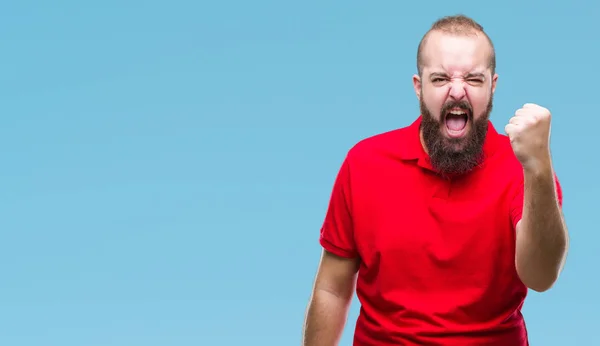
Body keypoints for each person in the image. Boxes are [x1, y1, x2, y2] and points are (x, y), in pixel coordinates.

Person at [301, 14, 569, 346]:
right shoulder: (364, 163)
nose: (457, 92)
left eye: (473, 79)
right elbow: (331, 289)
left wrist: (539, 166)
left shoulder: (524, 168)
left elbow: (541, 277)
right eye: (441, 79)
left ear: (493, 86)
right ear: (419, 87)